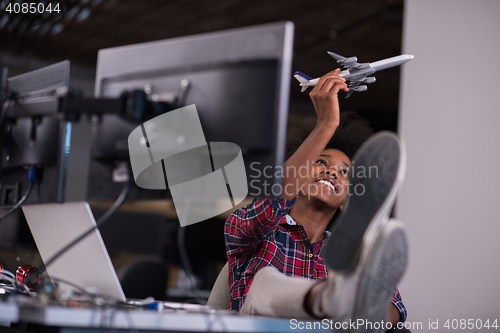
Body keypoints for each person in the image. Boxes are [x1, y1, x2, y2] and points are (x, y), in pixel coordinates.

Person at [224, 69, 408, 330]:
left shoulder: (350, 254)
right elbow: (274, 198)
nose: (332, 172)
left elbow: (395, 310)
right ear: (300, 174)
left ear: (348, 200)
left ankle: (341, 301)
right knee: (264, 285)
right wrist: (326, 125)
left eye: (345, 173)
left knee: (368, 275)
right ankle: (335, 298)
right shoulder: (252, 231)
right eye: (321, 162)